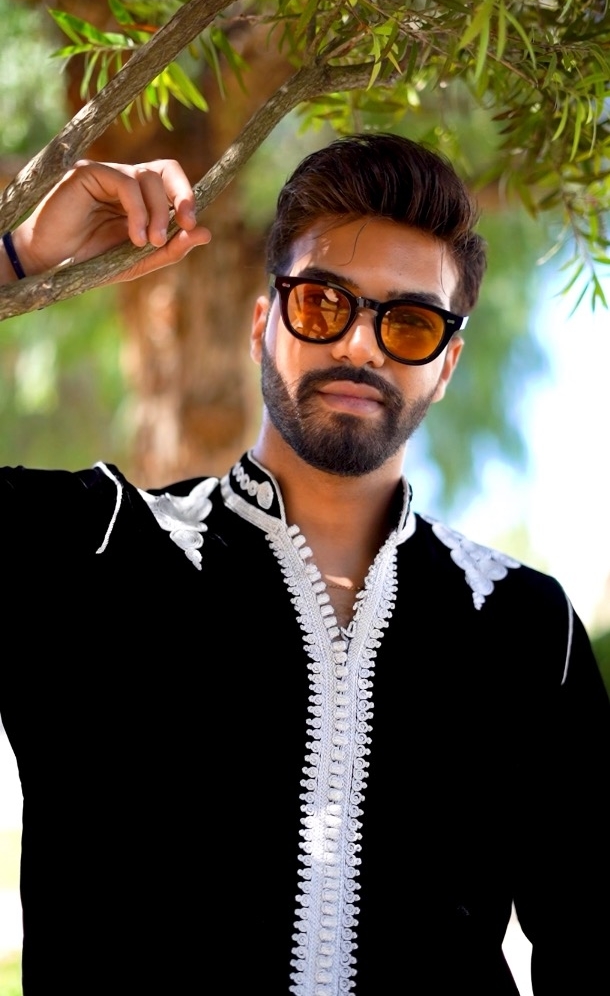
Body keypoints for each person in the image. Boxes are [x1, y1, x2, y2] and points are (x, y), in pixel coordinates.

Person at [1, 135, 608, 996]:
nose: (360, 345)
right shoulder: (93, 553)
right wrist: (19, 257)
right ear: (263, 325)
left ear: (446, 366)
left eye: (409, 322)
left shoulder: (525, 627)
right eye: (323, 303)